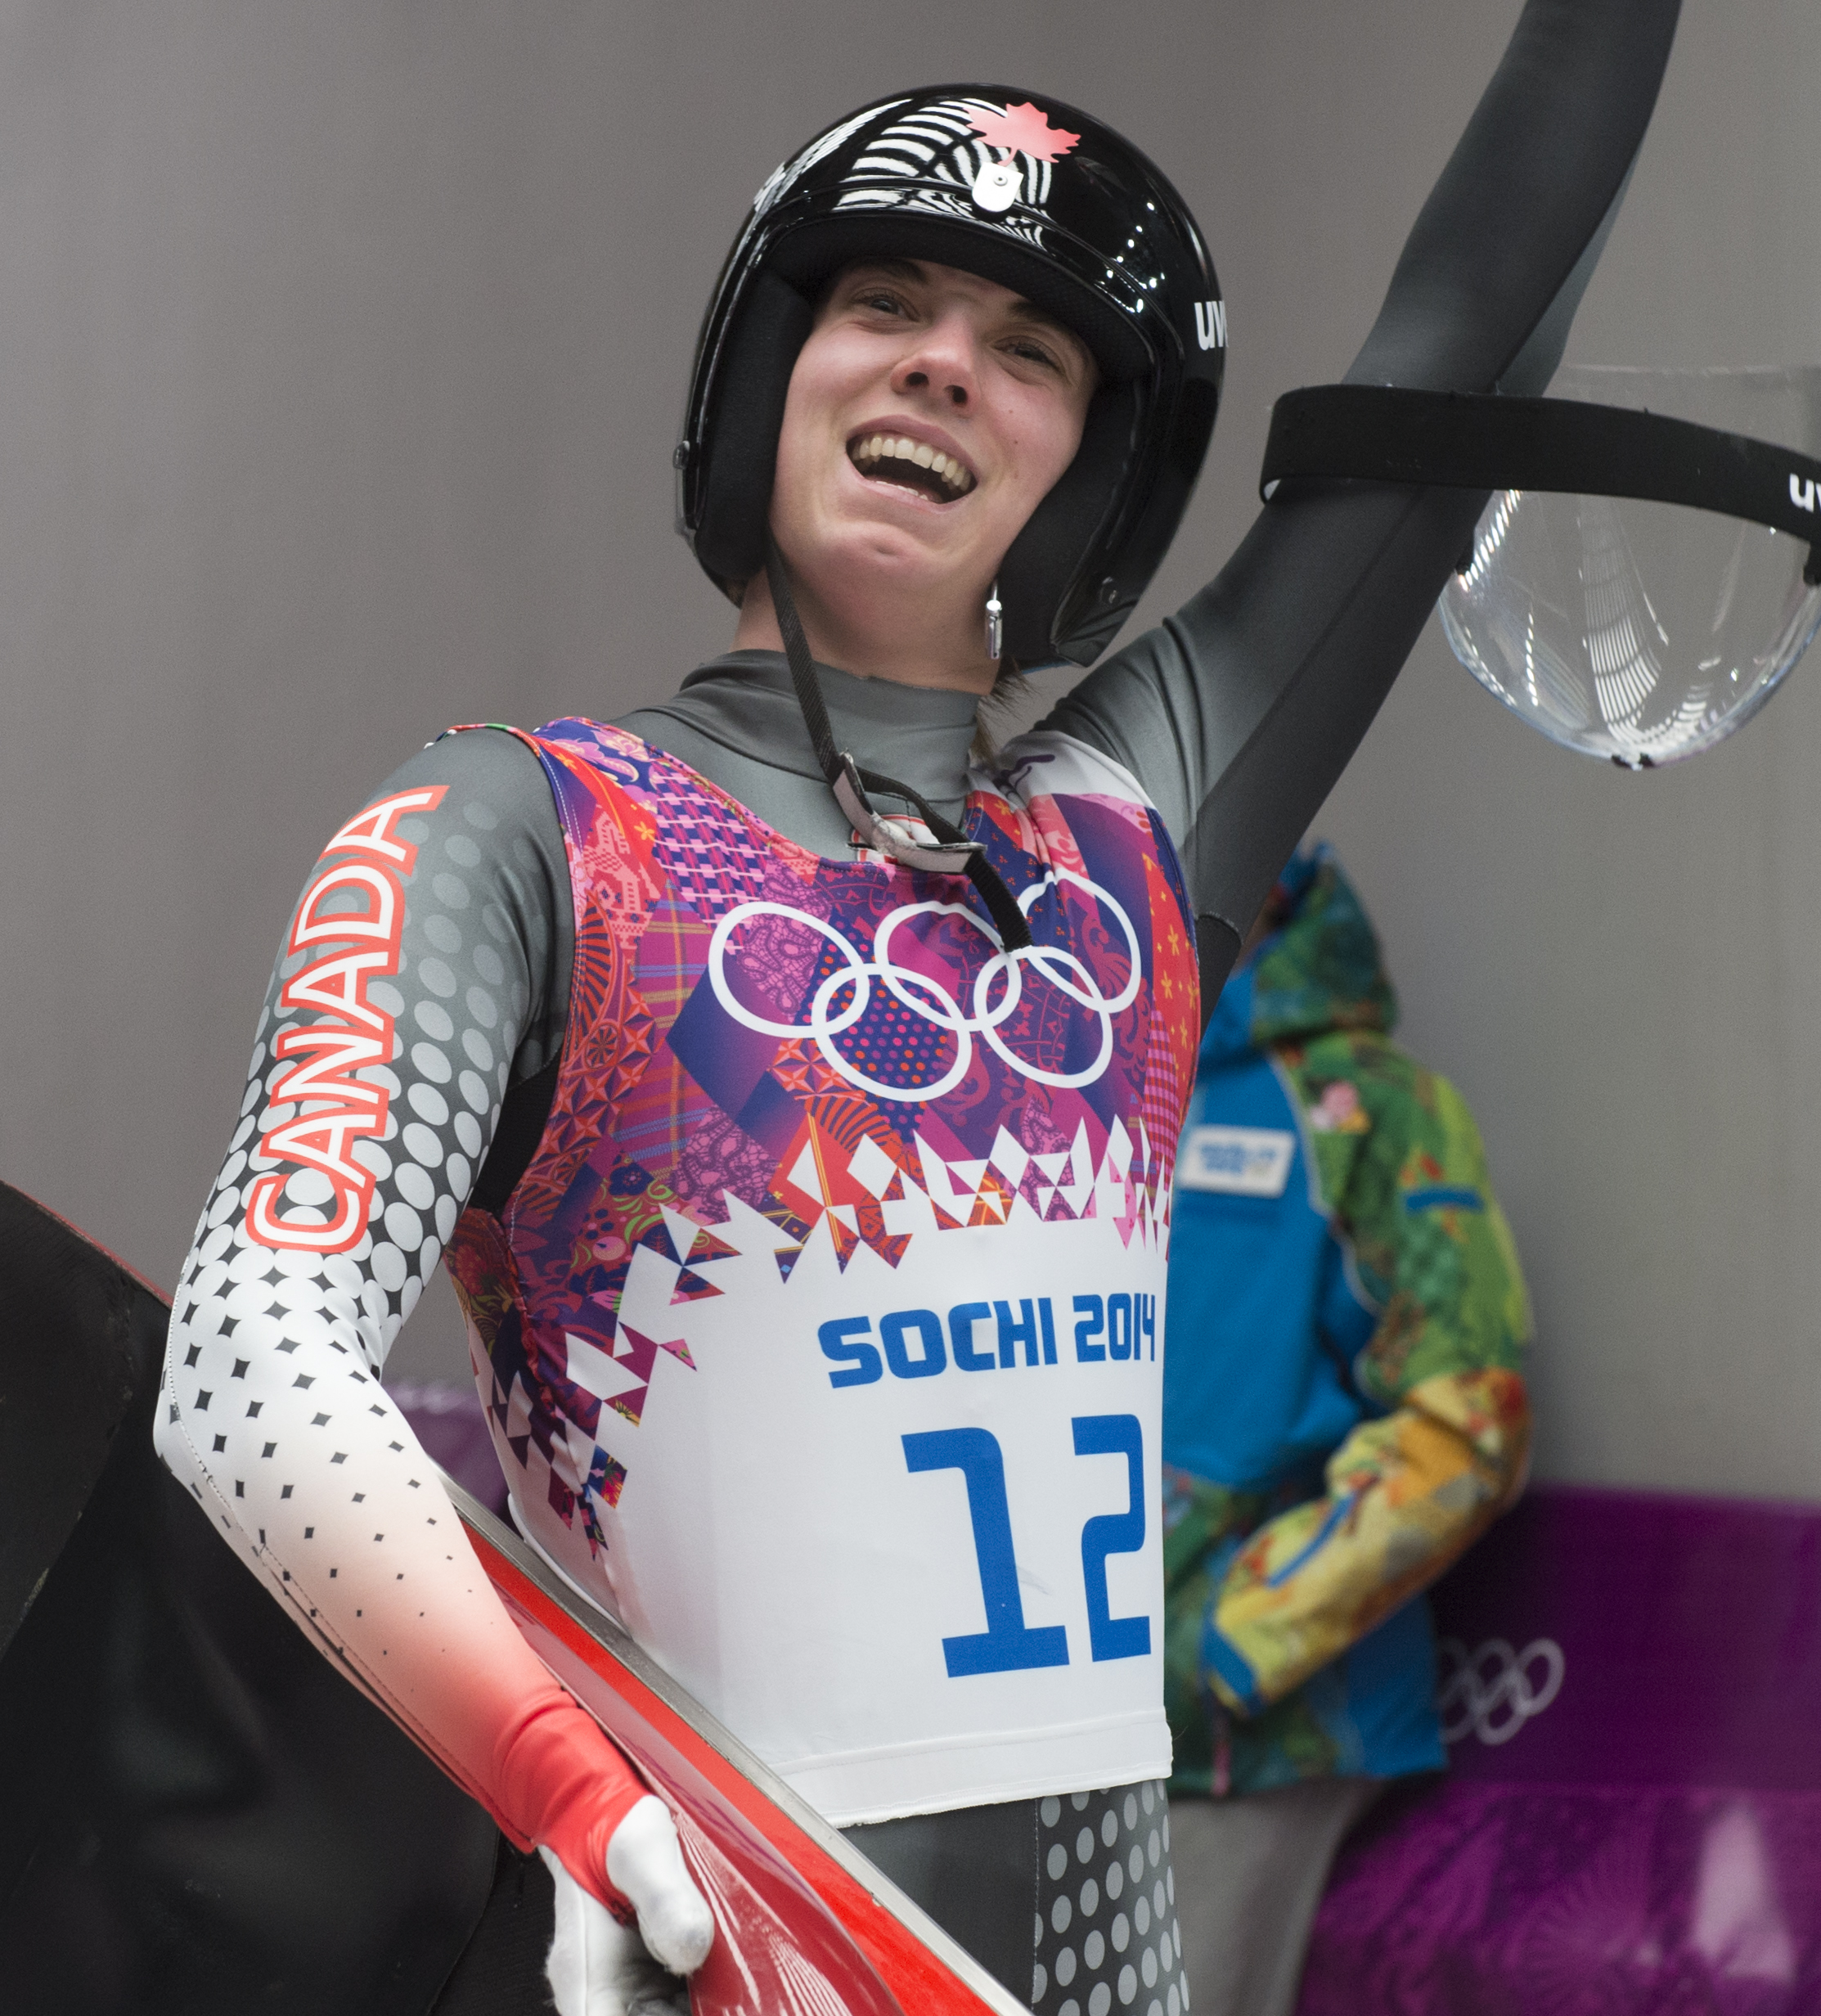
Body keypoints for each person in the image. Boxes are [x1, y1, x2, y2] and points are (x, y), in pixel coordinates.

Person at [151, 16, 1679, 2013]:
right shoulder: (513, 832)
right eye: (886, 300)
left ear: (1090, 481)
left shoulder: (1139, 824)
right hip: (707, 1943)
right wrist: (573, 1797)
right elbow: (246, 1360)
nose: (948, 360)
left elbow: (1465, 336)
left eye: (1031, 351)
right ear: (765, 380)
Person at [1161, 846, 1531, 2016]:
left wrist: (1229, 1640)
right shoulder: (1069, 1097)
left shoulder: (1369, 1108)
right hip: (1034, 1719)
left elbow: (1467, 1424)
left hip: (1245, 1743)